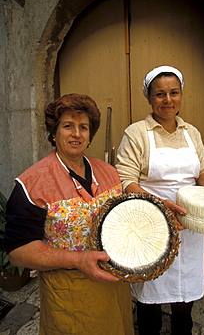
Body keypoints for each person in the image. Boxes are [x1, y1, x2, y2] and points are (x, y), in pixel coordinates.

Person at [4, 93, 134, 335]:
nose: (76, 133)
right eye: (68, 126)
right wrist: (77, 260)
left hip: (113, 288)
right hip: (69, 293)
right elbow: (18, 252)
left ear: (89, 135)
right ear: (54, 133)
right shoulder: (32, 183)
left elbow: (124, 220)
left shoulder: (108, 172)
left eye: (83, 127)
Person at [116, 66, 204, 335]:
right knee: (149, 293)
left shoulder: (191, 133)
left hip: (188, 224)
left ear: (181, 95)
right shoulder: (137, 133)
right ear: (149, 98)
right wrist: (161, 207)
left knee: (184, 295)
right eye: (160, 94)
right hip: (150, 223)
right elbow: (125, 179)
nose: (168, 100)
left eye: (173, 93)